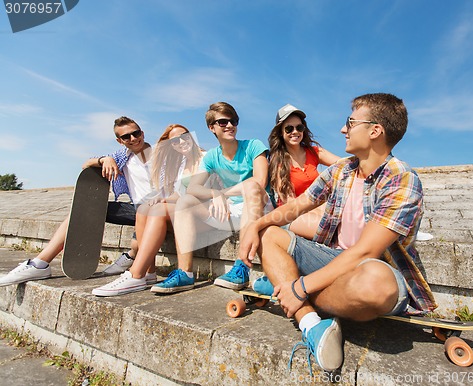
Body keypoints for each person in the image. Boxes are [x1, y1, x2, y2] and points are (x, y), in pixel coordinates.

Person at [238, 93, 437, 373]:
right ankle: (309, 322)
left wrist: (299, 287)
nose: (343, 129)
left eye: (350, 122)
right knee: (270, 234)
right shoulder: (341, 170)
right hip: (333, 260)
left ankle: (283, 284)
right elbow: (298, 205)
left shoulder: (402, 178)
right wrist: (255, 225)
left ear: (374, 130)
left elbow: (366, 252)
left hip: (372, 269)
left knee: (375, 285)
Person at [0, 116, 154, 287]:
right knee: (83, 209)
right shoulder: (123, 156)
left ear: (142, 132)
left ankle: (130, 256)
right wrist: (104, 159)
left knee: (142, 224)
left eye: (136, 133)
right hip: (135, 209)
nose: (133, 138)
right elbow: (86, 164)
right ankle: (39, 264)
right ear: (119, 141)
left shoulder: (159, 153)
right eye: (126, 137)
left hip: (158, 210)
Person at [155, 101, 273, 293]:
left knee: (251, 185)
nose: (230, 125)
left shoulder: (253, 146)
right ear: (212, 128)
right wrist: (214, 194)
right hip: (230, 211)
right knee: (185, 201)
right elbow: (193, 188)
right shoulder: (211, 157)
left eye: (233, 120)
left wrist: (222, 193)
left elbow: (259, 182)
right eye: (223, 122)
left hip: (258, 207)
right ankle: (185, 273)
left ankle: (242, 267)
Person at [92, 124, 205, 296]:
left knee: (158, 209)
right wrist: (164, 198)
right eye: (175, 140)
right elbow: (179, 193)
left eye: (185, 136)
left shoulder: (205, 157)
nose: (181, 141)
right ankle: (148, 273)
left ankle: (135, 274)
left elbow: (200, 193)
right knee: (145, 208)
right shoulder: (181, 165)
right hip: (184, 209)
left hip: (203, 211)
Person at [252, 103, 340, 294]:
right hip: (292, 217)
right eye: (289, 128)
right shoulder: (276, 160)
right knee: (333, 227)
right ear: (281, 132)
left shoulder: (314, 151)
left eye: (299, 127)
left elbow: (343, 164)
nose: (295, 132)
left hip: (318, 210)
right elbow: (290, 204)